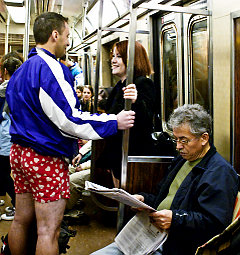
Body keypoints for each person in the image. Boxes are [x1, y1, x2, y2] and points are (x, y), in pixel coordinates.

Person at [5, 12, 135, 255]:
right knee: (48, 230)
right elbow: (69, 119)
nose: (67, 42)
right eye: (66, 36)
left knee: (21, 220)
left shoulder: (21, 71)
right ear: (55, 35)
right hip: (44, 155)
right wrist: (113, 122)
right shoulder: (49, 68)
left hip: (20, 153)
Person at [91, 104, 239, 255]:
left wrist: (175, 220)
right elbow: (163, 197)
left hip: (176, 244)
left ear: (204, 138)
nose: (178, 147)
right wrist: (144, 200)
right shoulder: (182, 161)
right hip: (154, 234)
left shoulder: (220, 173)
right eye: (176, 140)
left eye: (184, 140)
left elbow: (215, 224)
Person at [96, 40, 156, 184]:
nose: (113, 61)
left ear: (132, 59)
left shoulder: (142, 83)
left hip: (132, 154)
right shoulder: (119, 86)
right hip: (117, 154)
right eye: (113, 56)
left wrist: (136, 101)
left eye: (118, 56)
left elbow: (148, 118)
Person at [0, 56, 22, 221]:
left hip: (4, 137)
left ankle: (17, 205)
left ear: (5, 71)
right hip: (15, 136)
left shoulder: (3, 91)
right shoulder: (22, 88)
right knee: (5, 171)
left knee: (3, 173)